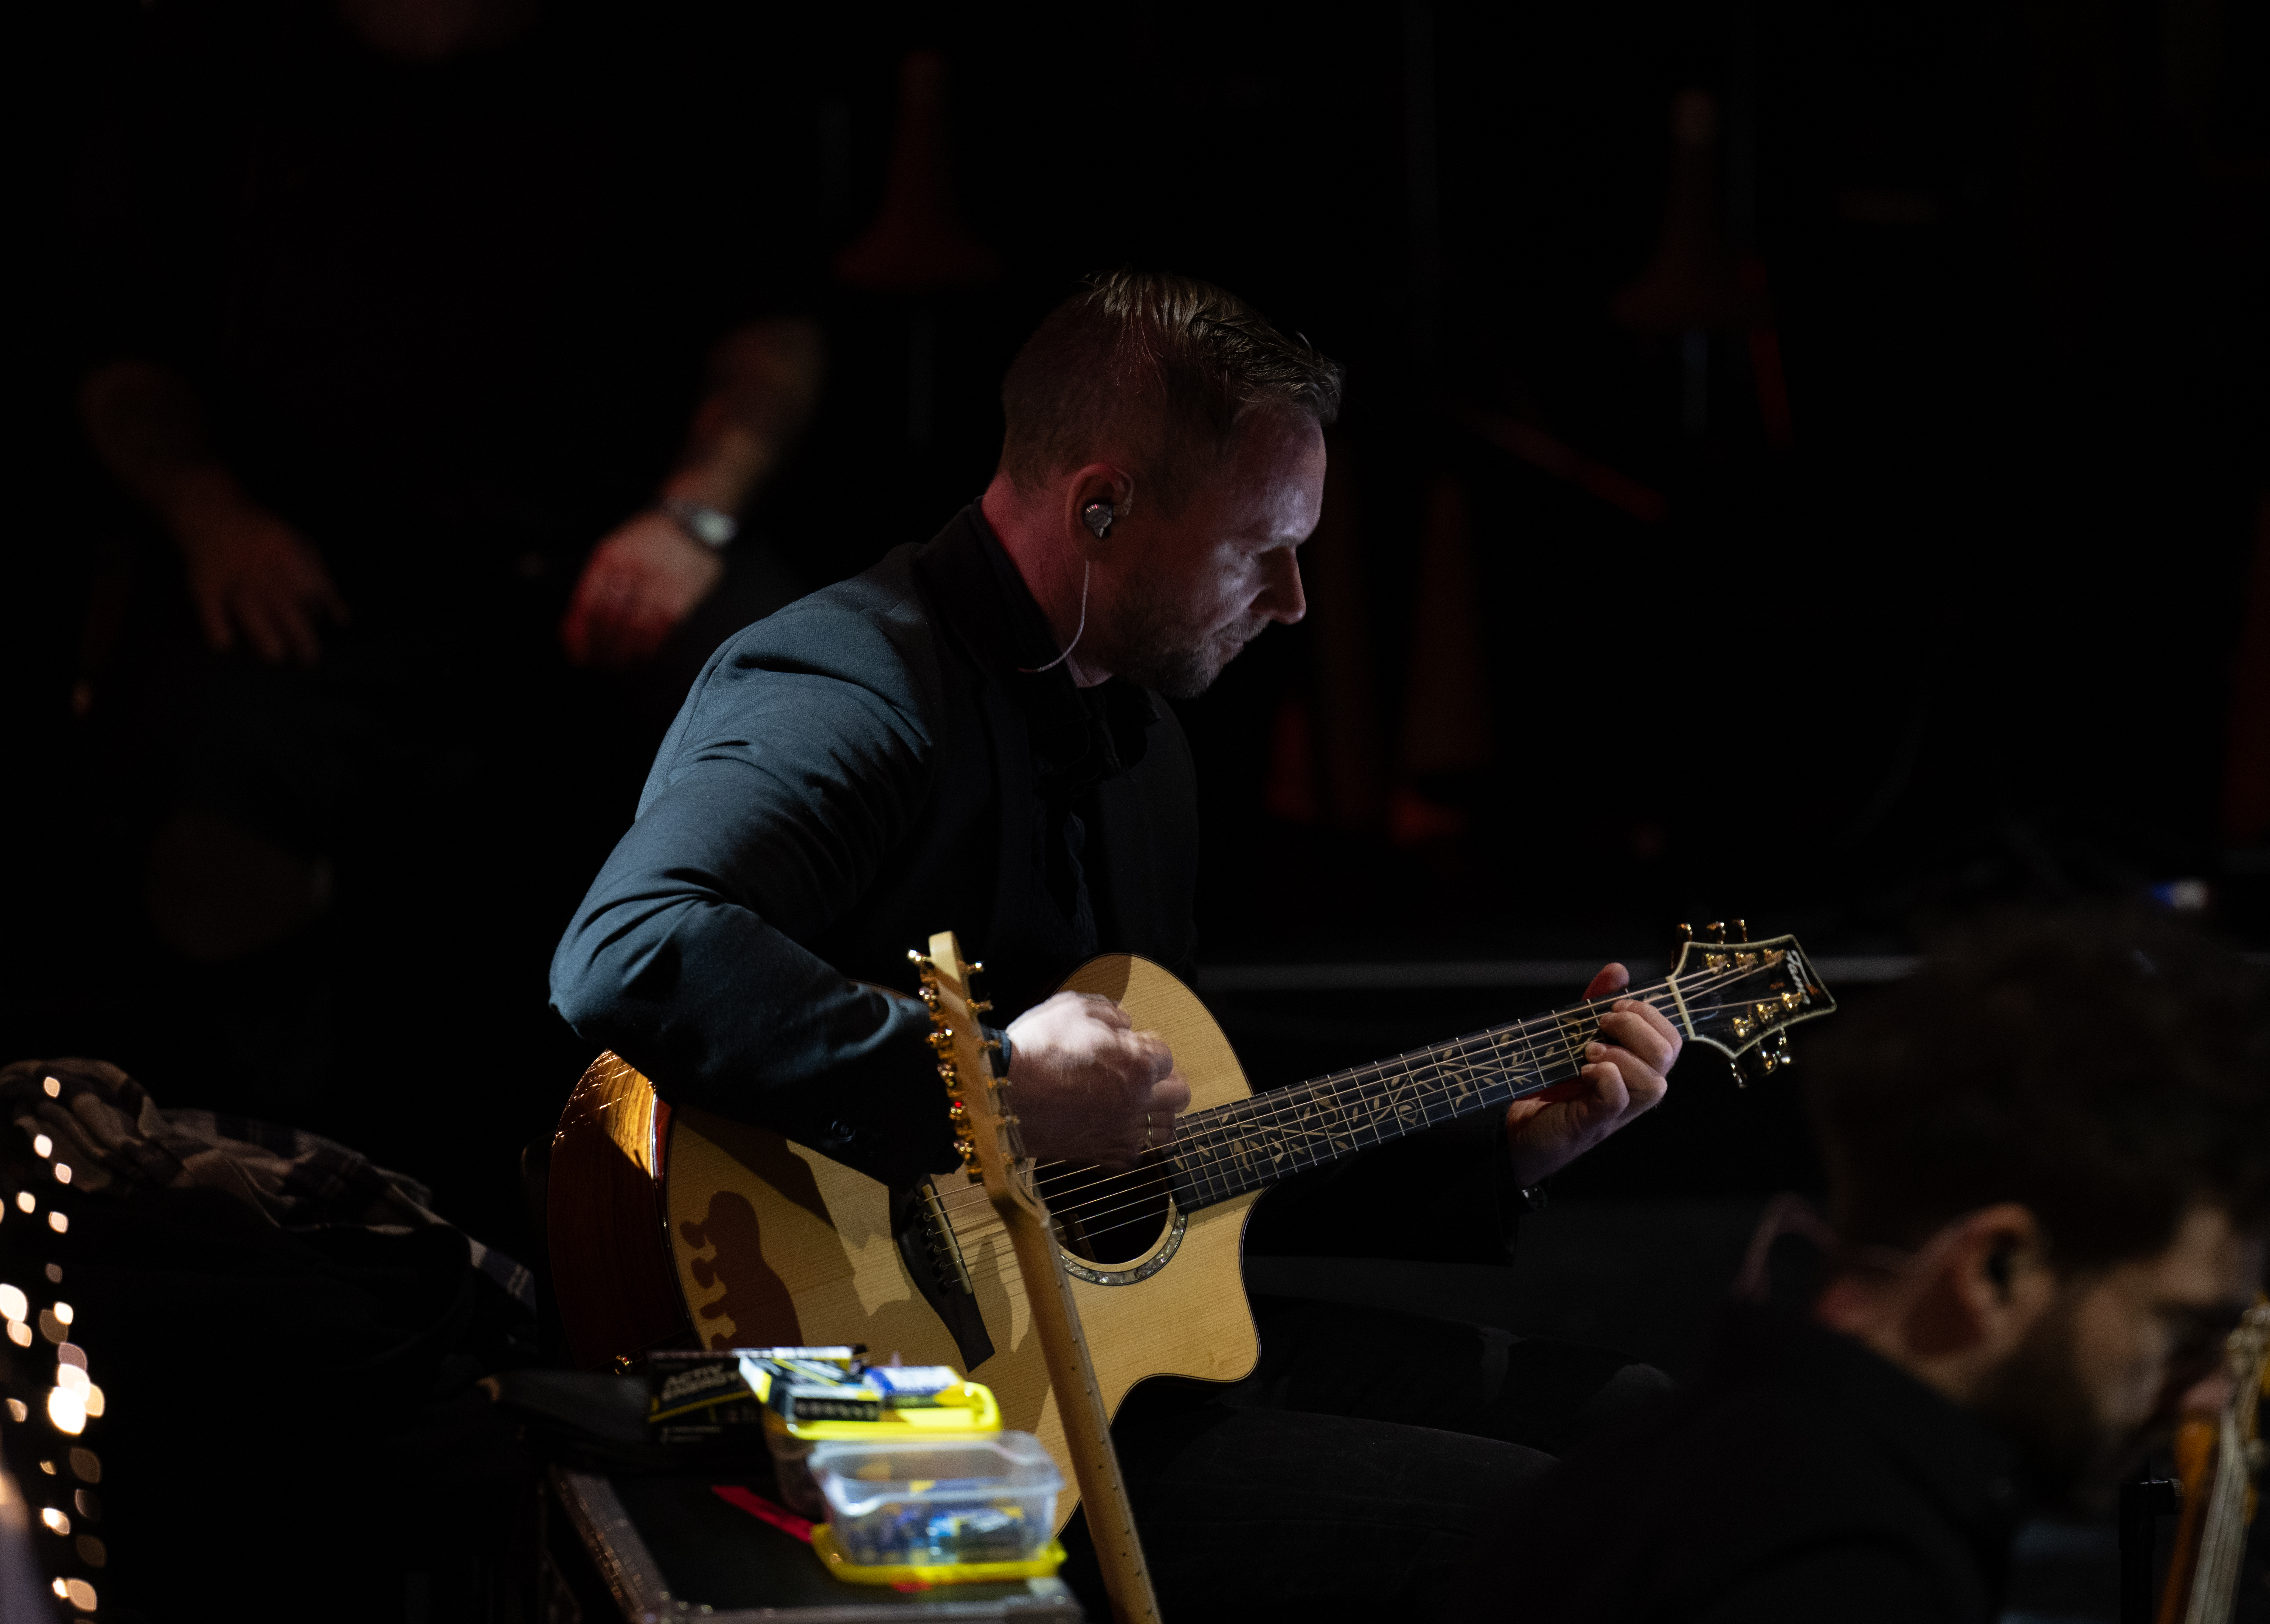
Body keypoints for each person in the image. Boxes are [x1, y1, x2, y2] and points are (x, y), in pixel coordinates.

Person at [549, 270, 1685, 1617]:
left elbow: (1167, 1157)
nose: (1294, 600)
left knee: (1643, 1425)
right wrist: (987, 1072)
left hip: (1097, 1366)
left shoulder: (1141, 742)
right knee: (1526, 1526)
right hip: (885, 1399)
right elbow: (627, 947)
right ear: (1101, 506)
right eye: (1259, 546)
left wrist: (1492, 1149)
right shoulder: (850, 686)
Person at [59, 0, 821, 1205]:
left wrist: (692, 515)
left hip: (608, 556)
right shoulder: (206, 48)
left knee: (783, 731)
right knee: (197, 758)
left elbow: (771, 325)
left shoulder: (673, 47)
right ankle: (262, 1197)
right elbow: (117, 342)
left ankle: (723, 1186)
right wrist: (207, 512)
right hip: (299, 571)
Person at [1443, 908, 2270, 1624]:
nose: (2211, 1394)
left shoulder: (1711, 1451)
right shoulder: (1844, 1571)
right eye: (2183, 1331)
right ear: (1995, 1270)